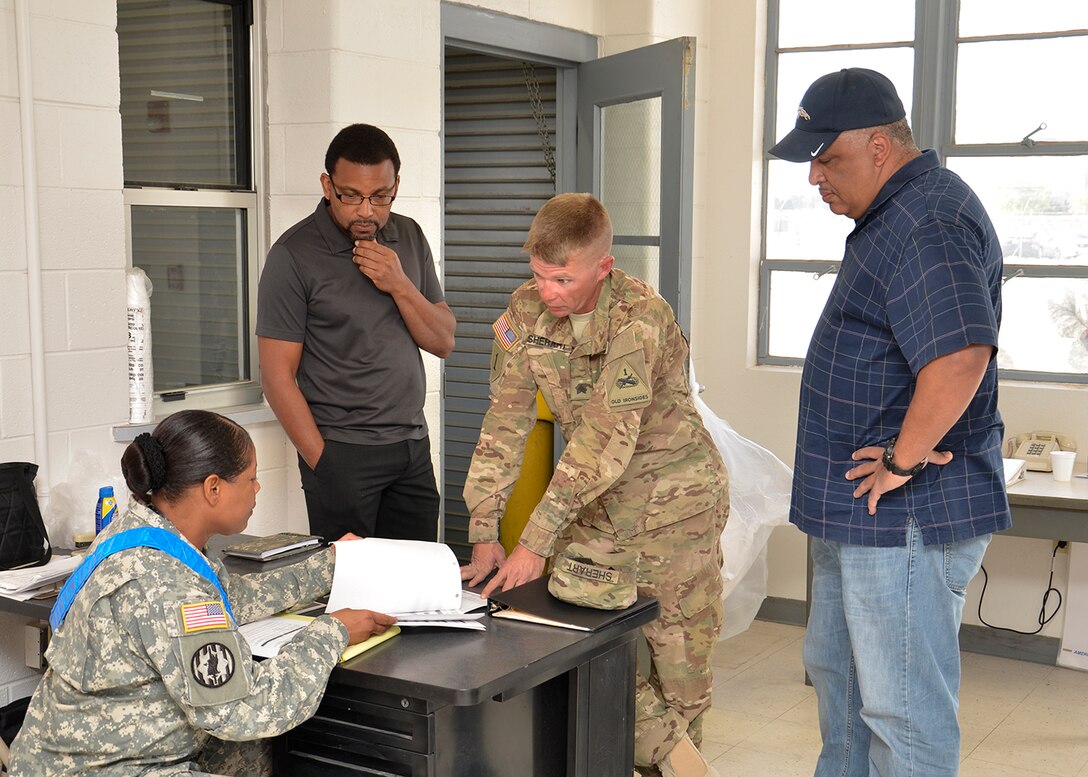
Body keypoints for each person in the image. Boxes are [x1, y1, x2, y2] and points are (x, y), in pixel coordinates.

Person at [769, 68, 1011, 777]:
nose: (814, 177)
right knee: (845, 700)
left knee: (903, 716)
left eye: (826, 157)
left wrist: (903, 460)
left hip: (903, 517)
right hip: (860, 517)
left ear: (879, 146)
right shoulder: (891, 213)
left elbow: (962, 354)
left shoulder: (927, 219)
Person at [460, 193, 728, 777]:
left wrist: (533, 543)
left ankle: (685, 767)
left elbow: (602, 441)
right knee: (590, 650)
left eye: (563, 278)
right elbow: (505, 420)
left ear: (603, 267)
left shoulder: (639, 319)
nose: (548, 290)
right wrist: (485, 530)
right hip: (596, 508)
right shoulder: (524, 312)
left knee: (677, 671)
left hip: (673, 510)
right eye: (538, 273)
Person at [9, 410, 396, 776]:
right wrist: (332, 631)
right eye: (251, 479)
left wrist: (329, 565)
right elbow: (250, 707)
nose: (257, 489)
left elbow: (231, 600)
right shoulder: (170, 585)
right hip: (115, 768)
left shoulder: (142, 531)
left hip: (91, 754)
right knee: (258, 735)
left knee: (252, 752)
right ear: (213, 488)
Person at [256, 123, 455, 543]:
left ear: (396, 186)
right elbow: (277, 379)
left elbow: (443, 341)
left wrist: (399, 283)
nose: (366, 211)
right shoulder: (293, 255)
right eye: (351, 196)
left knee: (413, 594)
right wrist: (322, 463)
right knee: (352, 597)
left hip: (412, 446)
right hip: (341, 454)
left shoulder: (410, 236)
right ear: (328, 186)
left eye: (380, 196)